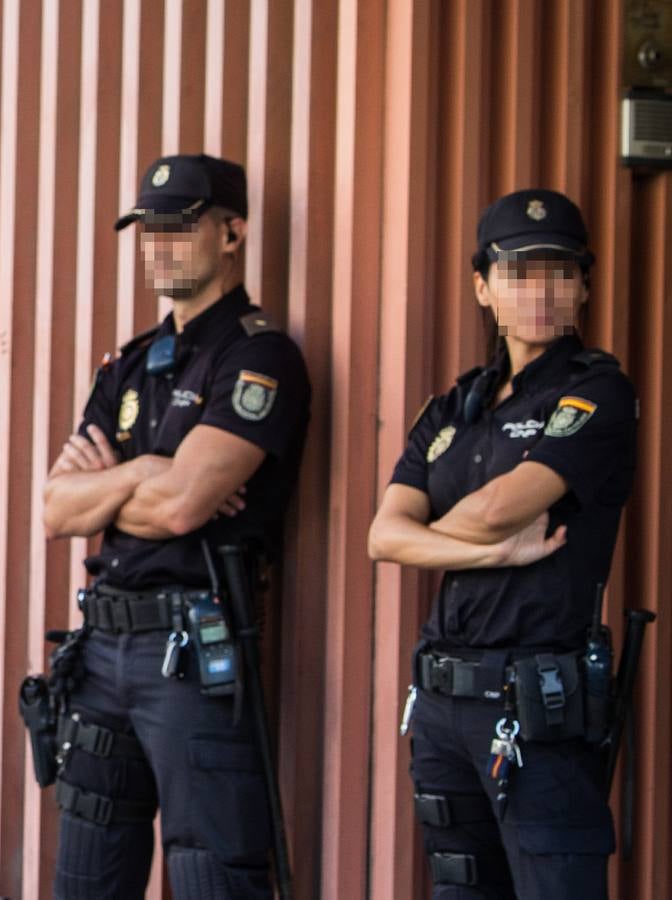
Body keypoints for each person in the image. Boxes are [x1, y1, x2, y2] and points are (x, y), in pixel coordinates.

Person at [40, 154, 311, 899]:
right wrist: (145, 471)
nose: (159, 244)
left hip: (193, 650)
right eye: (148, 228)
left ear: (233, 232)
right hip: (103, 650)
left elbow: (185, 506)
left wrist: (120, 481)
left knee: (209, 878)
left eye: (180, 227)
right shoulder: (128, 367)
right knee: (88, 880)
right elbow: (57, 508)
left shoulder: (259, 358)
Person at [368, 188, 634, 897]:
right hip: (443, 708)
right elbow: (381, 535)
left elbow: (495, 508)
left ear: (582, 284)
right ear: (483, 287)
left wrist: (437, 535)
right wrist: (484, 552)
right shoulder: (455, 406)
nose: (540, 290)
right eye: (519, 272)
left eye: (558, 270)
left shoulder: (597, 391)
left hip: (535, 708)